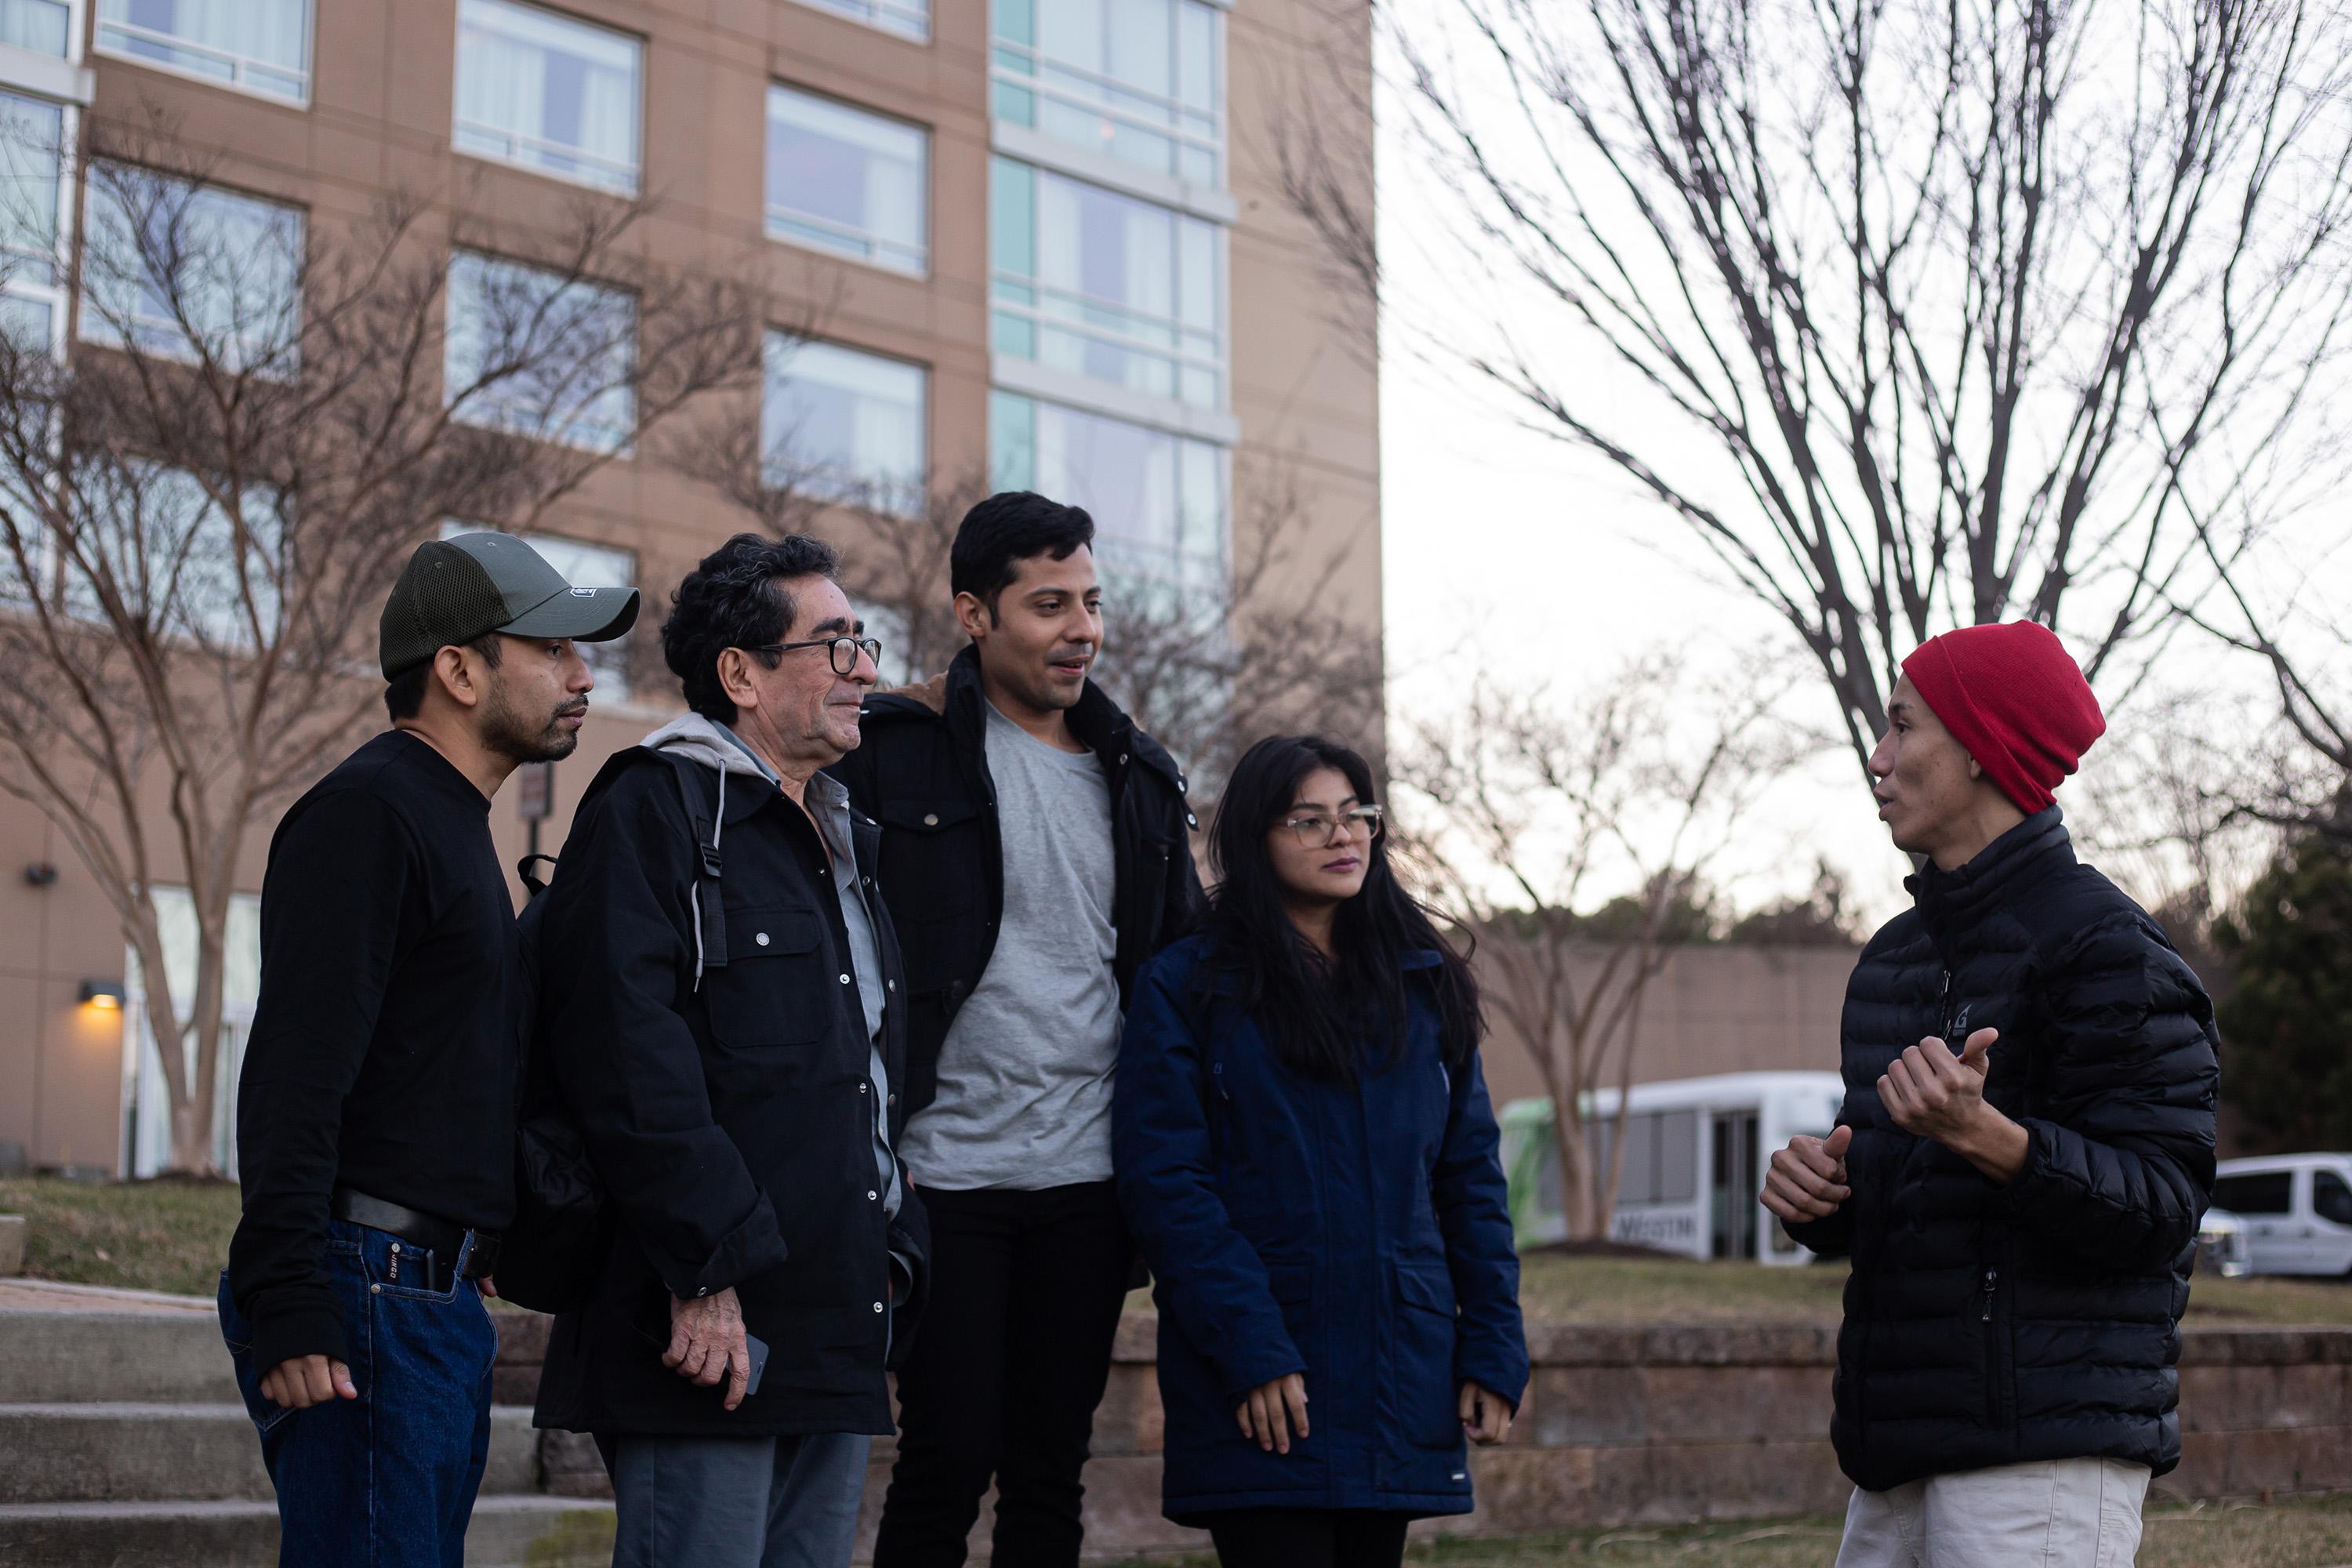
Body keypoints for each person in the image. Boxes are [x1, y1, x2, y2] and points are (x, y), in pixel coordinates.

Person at [1761, 621, 2220, 1568]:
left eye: (1901, 728)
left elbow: (2164, 1207)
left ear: (1979, 747)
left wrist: (1990, 1136)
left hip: (2042, 1455)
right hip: (1895, 1447)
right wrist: (1824, 1201)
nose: (1877, 759)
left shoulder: (2108, 948)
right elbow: (1901, 1193)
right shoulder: (1894, 957)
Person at [220, 532, 637, 1568]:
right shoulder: (369, 814)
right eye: (552, 650)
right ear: (459, 669)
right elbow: (296, 1068)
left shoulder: (452, 822)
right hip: (364, 1291)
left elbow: (430, 1068)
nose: (583, 677)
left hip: (424, 1291)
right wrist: (287, 1294)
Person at [527, 533, 927, 1568]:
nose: (865, 671)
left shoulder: (847, 838)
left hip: (834, 1322)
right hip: (706, 1331)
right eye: (834, 645)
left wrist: (898, 1258)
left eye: (864, 644)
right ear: (741, 674)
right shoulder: (655, 806)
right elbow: (624, 1057)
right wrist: (706, 1274)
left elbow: (869, 1079)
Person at [833, 490, 1203, 1567]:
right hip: (945, 1176)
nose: (1081, 627)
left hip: (1088, 1181)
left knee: (1050, 1465)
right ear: (974, 613)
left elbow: (1179, 979)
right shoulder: (894, 757)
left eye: (1090, 602)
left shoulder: (1142, 777)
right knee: (945, 1456)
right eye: (1049, 604)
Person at [1113, 735, 1528, 1568]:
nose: (1344, 836)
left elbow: (1468, 1180)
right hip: (1265, 1371)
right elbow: (1167, 1183)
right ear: (1255, 839)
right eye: (1310, 820)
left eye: (1357, 815)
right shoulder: (1190, 984)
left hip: (1397, 1364)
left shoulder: (1423, 983)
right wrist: (1252, 1348)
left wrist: (1492, 1341)